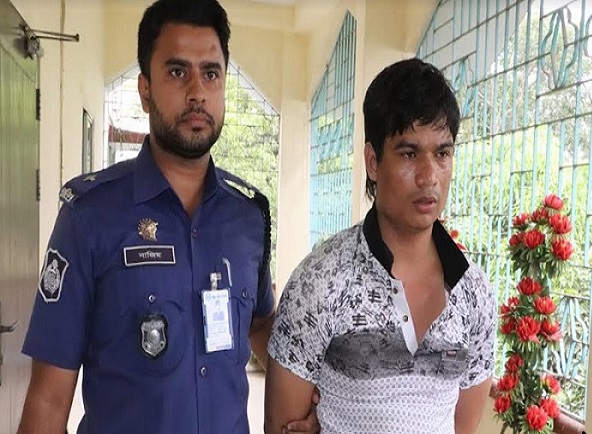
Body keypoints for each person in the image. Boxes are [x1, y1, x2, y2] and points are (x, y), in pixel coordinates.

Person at [17, 1, 318, 433]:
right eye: (178, 72)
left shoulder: (247, 217)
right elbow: (48, 399)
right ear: (145, 90)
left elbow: (261, 323)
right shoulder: (90, 217)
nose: (197, 91)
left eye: (211, 73)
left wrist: (319, 395)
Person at [264, 58, 497, 434]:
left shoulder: (475, 294)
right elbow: (282, 426)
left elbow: (463, 427)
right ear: (373, 162)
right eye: (409, 154)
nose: (429, 177)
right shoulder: (320, 282)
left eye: (442, 153)